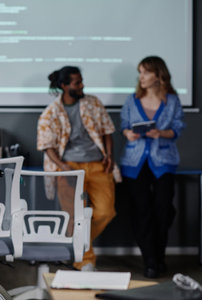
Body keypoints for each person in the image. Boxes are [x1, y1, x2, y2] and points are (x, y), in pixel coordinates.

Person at [37, 66, 116, 271]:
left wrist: (109, 155)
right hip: (68, 168)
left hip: (98, 165)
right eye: (77, 83)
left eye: (81, 81)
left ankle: (74, 244)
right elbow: (47, 146)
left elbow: (107, 131)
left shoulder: (93, 103)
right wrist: (64, 168)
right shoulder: (51, 112)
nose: (82, 85)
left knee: (106, 212)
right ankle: (85, 260)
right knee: (74, 216)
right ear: (64, 86)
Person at [120, 56, 185, 278]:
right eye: (140, 73)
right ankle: (150, 261)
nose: (142, 77)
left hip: (163, 161)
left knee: (164, 209)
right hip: (134, 162)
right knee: (142, 212)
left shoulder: (172, 101)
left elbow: (177, 127)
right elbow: (124, 127)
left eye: (146, 72)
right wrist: (128, 133)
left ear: (159, 75)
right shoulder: (132, 100)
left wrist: (161, 133)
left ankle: (159, 255)